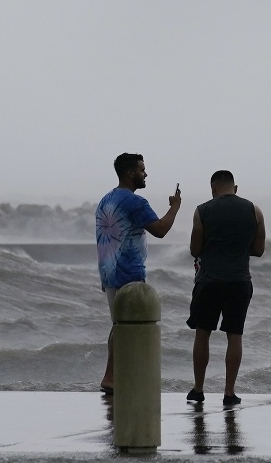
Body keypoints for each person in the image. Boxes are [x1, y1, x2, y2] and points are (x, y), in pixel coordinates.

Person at [95, 152, 181, 394]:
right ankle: (116, 377)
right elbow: (161, 230)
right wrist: (174, 208)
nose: (146, 174)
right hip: (129, 272)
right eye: (142, 170)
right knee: (128, 328)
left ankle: (111, 376)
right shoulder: (135, 202)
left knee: (118, 326)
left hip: (109, 273)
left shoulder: (106, 200)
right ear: (131, 172)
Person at [185, 170, 265, 406]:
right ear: (235, 188)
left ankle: (198, 389)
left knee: (203, 333)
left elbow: (194, 249)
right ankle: (229, 393)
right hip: (240, 281)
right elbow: (259, 250)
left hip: (209, 281)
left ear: (213, 188)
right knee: (235, 336)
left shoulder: (202, 210)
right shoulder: (255, 210)